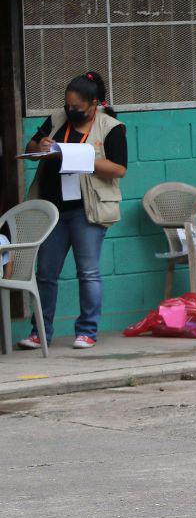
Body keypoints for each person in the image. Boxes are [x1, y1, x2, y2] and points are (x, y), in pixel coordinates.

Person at [19, 72, 127, 349]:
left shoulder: (111, 127)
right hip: (53, 208)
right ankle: (39, 331)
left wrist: (82, 158)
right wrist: (40, 146)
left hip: (87, 210)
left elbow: (119, 169)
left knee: (88, 272)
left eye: (76, 108)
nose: (70, 111)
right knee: (45, 272)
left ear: (93, 104)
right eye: (67, 106)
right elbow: (31, 147)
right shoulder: (57, 119)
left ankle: (87, 330)